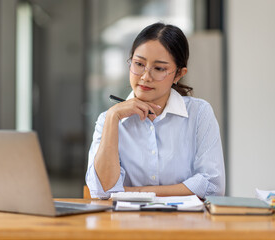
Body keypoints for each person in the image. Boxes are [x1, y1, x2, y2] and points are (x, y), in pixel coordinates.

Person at [85, 22, 225, 199]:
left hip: (185, 224)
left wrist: (131, 192)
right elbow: (101, 191)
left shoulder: (199, 113)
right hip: (124, 224)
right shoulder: (108, 119)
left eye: (159, 68)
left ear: (179, 74)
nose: (145, 77)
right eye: (139, 64)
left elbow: (212, 186)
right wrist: (113, 117)